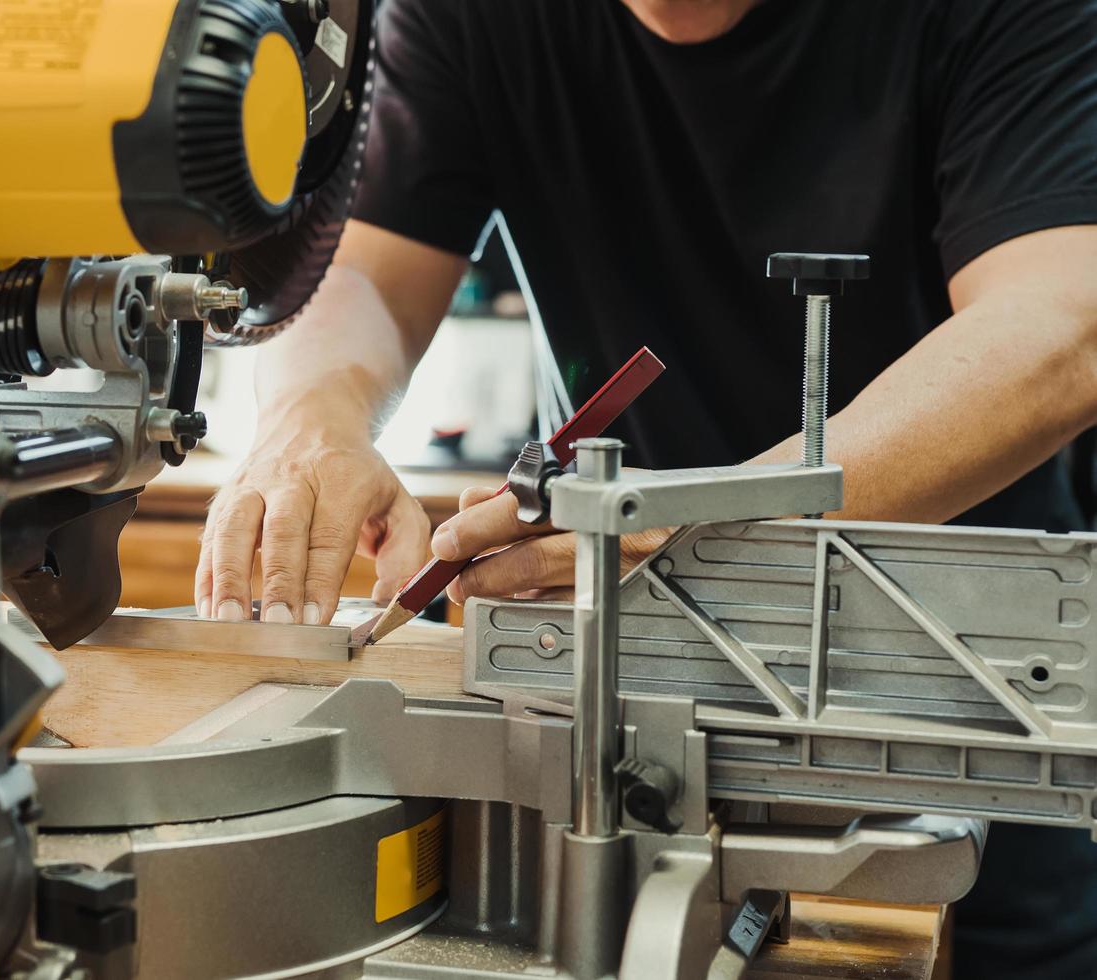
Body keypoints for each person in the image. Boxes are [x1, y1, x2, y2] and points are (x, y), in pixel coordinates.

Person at [196, 0, 1097, 974]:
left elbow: (1060, 323)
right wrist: (312, 414)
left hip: (954, 693)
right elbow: (366, 271)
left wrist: (703, 526)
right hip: (620, 690)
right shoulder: (468, 18)